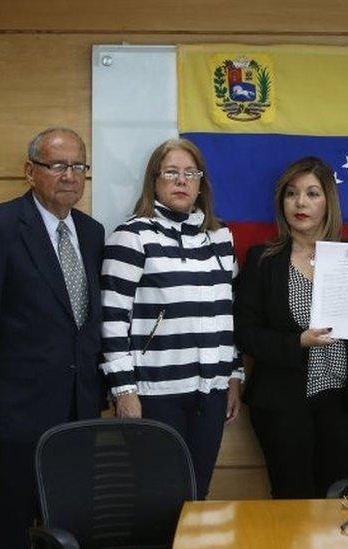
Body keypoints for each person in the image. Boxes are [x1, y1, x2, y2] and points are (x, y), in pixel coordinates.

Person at [0, 128, 106, 548]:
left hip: (78, 412)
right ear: (29, 171)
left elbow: (88, 324)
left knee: (71, 528)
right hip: (14, 414)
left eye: (78, 166)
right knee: (10, 528)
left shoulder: (93, 234)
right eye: (57, 165)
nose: (69, 176)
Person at [234, 157, 348, 498]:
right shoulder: (263, 260)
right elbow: (246, 334)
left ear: (328, 201)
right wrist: (298, 341)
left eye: (311, 193)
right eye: (291, 194)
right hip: (282, 402)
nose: (300, 203)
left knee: (334, 497)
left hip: (344, 401)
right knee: (292, 498)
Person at [100, 138, 243, 500]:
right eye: (172, 173)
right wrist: (124, 390)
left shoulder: (220, 236)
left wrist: (233, 376)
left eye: (190, 173)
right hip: (155, 395)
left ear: (201, 183)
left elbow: (230, 313)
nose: (182, 181)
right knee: (157, 498)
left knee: (197, 496)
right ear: (154, 180)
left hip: (210, 393)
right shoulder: (132, 235)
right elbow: (112, 319)